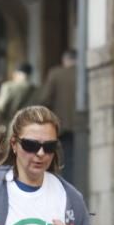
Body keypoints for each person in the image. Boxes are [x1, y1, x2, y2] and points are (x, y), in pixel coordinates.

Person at [35, 50, 77, 186]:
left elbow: (44, 99)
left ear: (65, 60)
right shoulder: (83, 74)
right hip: (82, 126)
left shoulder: (56, 74)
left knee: (64, 160)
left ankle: (65, 188)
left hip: (62, 125)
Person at [0, 63, 35, 130]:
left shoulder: (8, 87)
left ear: (16, 74)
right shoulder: (35, 89)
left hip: (10, 126)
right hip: (30, 127)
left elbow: (0, 107)